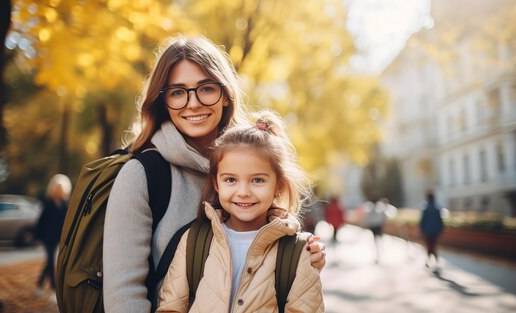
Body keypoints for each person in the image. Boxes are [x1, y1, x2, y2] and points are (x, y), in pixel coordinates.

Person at [102, 35, 326, 313]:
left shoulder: (253, 158)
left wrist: (300, 257)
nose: (193, 103)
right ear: (162, 101)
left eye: (206, 89)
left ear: (226, 94)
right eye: (177, 92)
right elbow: (123, 293)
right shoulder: (141, 175)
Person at [157, 111, 323, 312]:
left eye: (258, 180)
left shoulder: (299, 252)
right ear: (216, 184)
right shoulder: (194, 240)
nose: (243, 192)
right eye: (230, 180)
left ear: (278, 186)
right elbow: (170, 308)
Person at [34, 174, 72, 301]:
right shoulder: (48, 204)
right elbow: (41, 221)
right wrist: (37, 236)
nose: (58, 192)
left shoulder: (64, 205)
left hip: (58, 237)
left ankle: (39, 284)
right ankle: (53, 289)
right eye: (57, 190)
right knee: (50, 261)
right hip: (48, 238)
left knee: (49, 262)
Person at [419, 191, 444, 269]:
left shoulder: (425, 208)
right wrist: (441, 229)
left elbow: (422, 221)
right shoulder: (437, 207)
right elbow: (440, 220)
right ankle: (435, 261)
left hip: (427, 231)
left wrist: (421, 230)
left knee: (429, 246)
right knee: (434, 245)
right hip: (435, 230)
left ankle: (429, 260)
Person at [362, 197, 391, 263]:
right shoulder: (379, 209)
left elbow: (367, 219)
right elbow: (384, 217)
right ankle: (380, 250)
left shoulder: (372, 209)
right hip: (377, 226)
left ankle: (379, 250)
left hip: (374, 226)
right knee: (379, 238)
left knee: (376, 239)